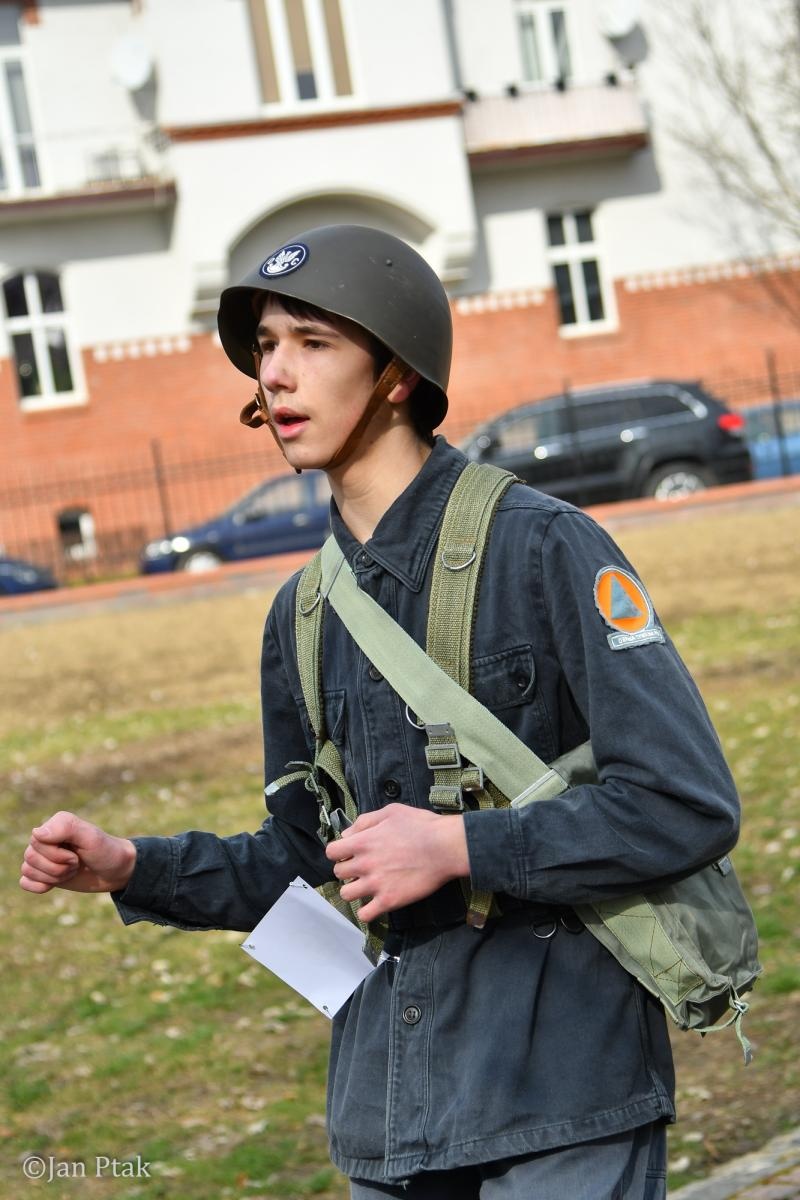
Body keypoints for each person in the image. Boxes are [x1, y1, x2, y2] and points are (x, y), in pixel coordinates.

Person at [20, 224, 740, 1199]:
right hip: (391, 1115)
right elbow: (304, 855)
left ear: (396, 374)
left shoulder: (543, 548)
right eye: (266, 345)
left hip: (559, 1094)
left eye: (312, 344)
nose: (276, 372)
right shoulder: (301, 616)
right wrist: (132, 867)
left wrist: (460, 848)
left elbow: (681, 802)